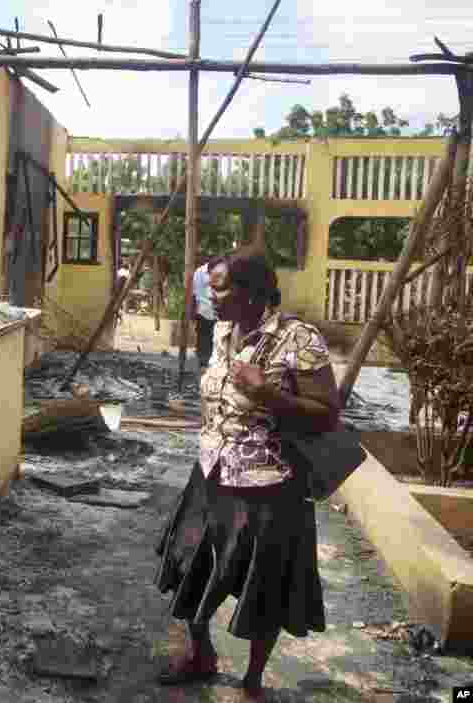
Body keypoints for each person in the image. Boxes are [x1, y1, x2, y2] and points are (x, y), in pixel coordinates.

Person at [153, 250, 341, 701]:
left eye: (219, 287)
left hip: (269, 488)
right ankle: (201, 656)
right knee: (190, 570)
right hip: (211, 475)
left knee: (264, 587)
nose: (210, 295)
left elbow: (327, 414)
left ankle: (252, 683)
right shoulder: (220, 331)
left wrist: (268, 394)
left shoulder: (299, 338)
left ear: (254, 291)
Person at [192, 257, 218, 369]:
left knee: (203, 337)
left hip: (203, 309)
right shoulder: (215, 272)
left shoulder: (198, 271)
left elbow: (194, 293)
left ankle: (203, 362)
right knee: (208, 337)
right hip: (210, 310)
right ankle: (206, 362)